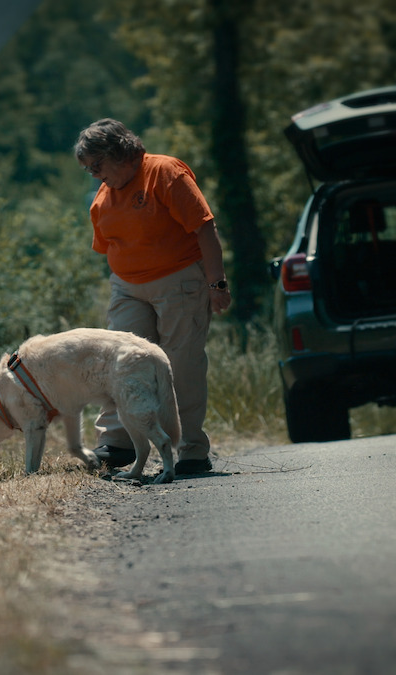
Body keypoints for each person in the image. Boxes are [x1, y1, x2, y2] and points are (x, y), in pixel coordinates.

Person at [73, 118, 231, 475]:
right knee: (121, 361)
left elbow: (205, 227)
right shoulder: (103, 198)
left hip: (179, 283)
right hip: (127, 287)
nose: (95, 175)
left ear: (122, 153)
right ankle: (118, 443)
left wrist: (216, 284)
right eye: (88, 170)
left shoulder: (165, 173)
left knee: (181, 364)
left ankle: (191, 450)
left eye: (98, 166)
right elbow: (108, 247)